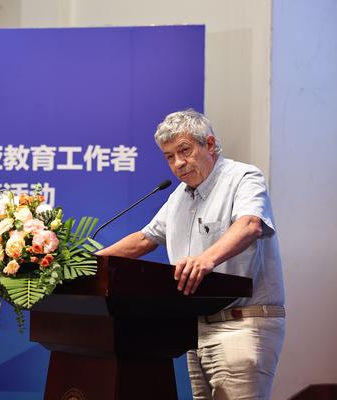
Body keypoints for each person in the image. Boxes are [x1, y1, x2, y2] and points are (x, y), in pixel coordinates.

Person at [98, 109, 285, 399]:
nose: (178, 163)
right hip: (196, 330)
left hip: (241, 324)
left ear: (209, 144)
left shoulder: (243, 177)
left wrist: (206, 259)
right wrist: (85, 264)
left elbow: (250, 225)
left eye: (184, 151)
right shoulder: (179, 197)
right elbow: (144, 239)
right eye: (169, 156)